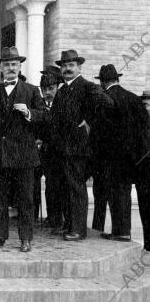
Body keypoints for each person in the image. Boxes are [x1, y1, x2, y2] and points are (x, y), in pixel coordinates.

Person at [0, 47, 46, 252]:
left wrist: (28, 112)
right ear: (2, 67)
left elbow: (44, 116)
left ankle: (25, 238)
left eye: (14, 64)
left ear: (20, 67)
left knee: (25, 199)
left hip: (24, 155)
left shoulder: (31, 90)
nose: (11, 68)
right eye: (7, 64)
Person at [49, 50, 113, 241]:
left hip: (78, 148)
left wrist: (89, 121)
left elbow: (107, 103)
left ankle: (78, 230)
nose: (67, 69)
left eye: (71, 65)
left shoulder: (87, 87)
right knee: (66, 187)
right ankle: (69, 224)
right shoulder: (62, 91)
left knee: (76, 187)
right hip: (63, 148)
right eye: (64, 66)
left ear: (79, 67)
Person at [95, 65, 147, 242]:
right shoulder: (133, 98)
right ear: (117, 79)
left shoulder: (105, 98)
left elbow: (102, 131)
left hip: (113, 157)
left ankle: (121, 231)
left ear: (102, 82)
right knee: (129, 195)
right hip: (136, 157)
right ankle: (128, 234)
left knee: (117, 194)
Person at [35, 73, 64, 230]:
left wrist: (45, 139)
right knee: (49, 185)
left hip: (59, 152)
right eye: (44, 89)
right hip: (43, 152)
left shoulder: (62, 105)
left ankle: (59, 218)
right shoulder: (40, 106)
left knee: (59, 185)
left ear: (57, 88)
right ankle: (51, 216)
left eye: (51, 88)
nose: (47, 92)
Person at [137, 90, 150, 251]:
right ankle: (148, 243)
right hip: (142, 173)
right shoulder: (138, 124)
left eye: (147, 105)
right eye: (143, 105)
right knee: (145, 208)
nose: (144, 108)